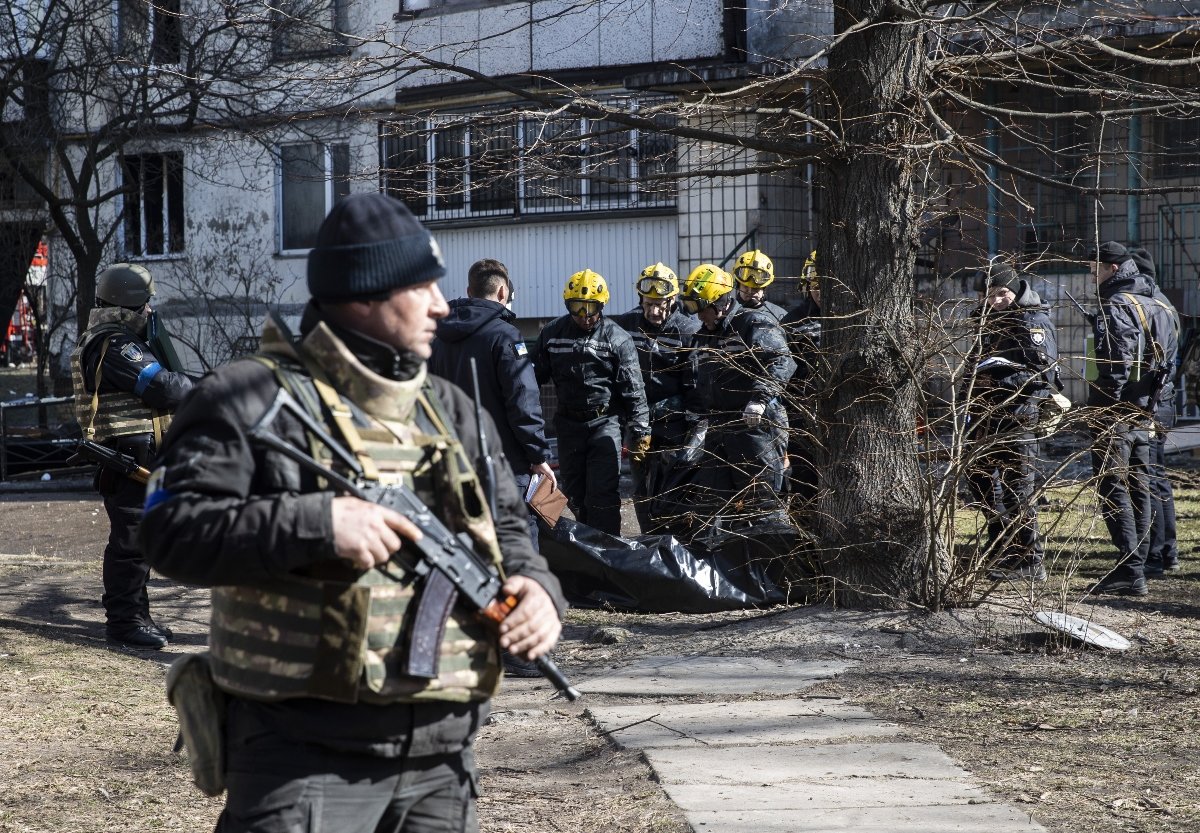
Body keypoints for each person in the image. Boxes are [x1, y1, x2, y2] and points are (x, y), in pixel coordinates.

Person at [139, 193, 565, 833]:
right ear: (365, 293)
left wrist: (539, 590)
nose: (443, 306)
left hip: (441, 760)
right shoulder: (246, 397)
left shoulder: (451, 411)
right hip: (301, 759)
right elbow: (170, 530)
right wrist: (319, 523)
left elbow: (509, 533)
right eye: (423, 287)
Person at [71, 263, 193, 649]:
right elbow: (162, 388)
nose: (150, 313)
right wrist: (191, 383)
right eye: (145, 306)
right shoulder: (117, 344)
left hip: (137, 459)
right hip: (127, 461)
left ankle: (137, 615)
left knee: (140, 541)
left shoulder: (114, 339)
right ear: (128, 308)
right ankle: (124, 623)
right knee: (130, 544)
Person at [428, 258, 556, 523]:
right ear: (503, 292)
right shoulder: (505, 336)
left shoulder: (438, 339)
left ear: (469, 292)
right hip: (505, 465)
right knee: (515, 540)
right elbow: (523, 401)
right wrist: (539, 455)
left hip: (455, 464)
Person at [960, 261, 1058, 582]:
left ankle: (1030, 560)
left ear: (1015, 289)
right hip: (984, 417)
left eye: (1001, 293)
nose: (995, 300)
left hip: (1018, 415)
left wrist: (1003, 377)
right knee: (980, 482)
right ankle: (1003, 547)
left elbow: (1044, 374)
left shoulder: (1033, 320)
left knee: (1019, 489)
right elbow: (973, 364)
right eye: (988, 295)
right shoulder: (985, 321)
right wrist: (964, 402)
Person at [531, 270, 649, 536]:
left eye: (591, 308)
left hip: (604, 423)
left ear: (602, 305)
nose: (584, 315)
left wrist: (641, 430)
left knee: (603, 493)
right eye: (577, 307)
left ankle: (609, 552)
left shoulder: (617, 338)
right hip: (568, 424)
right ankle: (584, 545)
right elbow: (531, 379)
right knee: (573, 492)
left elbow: (634, 389)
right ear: (566, 304)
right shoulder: (552, 333)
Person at [1086, 241, 1171, 596]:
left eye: (1095, 268)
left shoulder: (1118, 303)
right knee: (1140, 487)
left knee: (1114, 486)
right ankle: (1137, 566)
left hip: (1117, 412)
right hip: (1146, 410)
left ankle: (1130, 567)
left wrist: (1105, 404)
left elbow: (1115, 362)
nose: (1092, 275)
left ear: (1113, 268)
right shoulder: (1159, 306)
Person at [683, 263, 796, 519]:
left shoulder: (752, 323)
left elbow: (781, 360)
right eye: (692, 307)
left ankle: (766, 557)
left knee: (761, 502)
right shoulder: (706, 335)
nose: (698, 315)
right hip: (720, 426)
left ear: (721, 302)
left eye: (701, 307)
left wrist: (760, 398)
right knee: (716, 503)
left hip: (756, 426)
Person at [610, 263, 701, 533]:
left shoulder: (689, 330)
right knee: (641, 488)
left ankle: (674, 543)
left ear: (672, 300)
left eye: (660, 304)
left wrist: (692, 429)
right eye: (649, 303)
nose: (654, 311)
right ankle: (649, 540)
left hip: (674, 427)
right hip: (638, 425)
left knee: (673, 489)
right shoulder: (624, 325)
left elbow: (695, 387)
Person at [1127, 246, 1181, 577]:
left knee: (1151, 480)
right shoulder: (1165, 305)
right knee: (1156, 478)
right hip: (1164, 402)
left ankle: (1159, 553)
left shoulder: (1149, 307)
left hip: (1154, 403)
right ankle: (1166, 551)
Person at [780, 251, 823, 502]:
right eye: (815, 284)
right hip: (801, 414)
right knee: (803, 483)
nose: (819, 291)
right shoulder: (793, 322)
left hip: (839, 414)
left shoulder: (849, 318)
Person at [732, 249, 787, 321]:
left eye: (755, 288)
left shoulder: (781, 316)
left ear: (764, 287)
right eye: (745, 287)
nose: (750, 291)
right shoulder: (726, 315)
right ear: (738, 285)